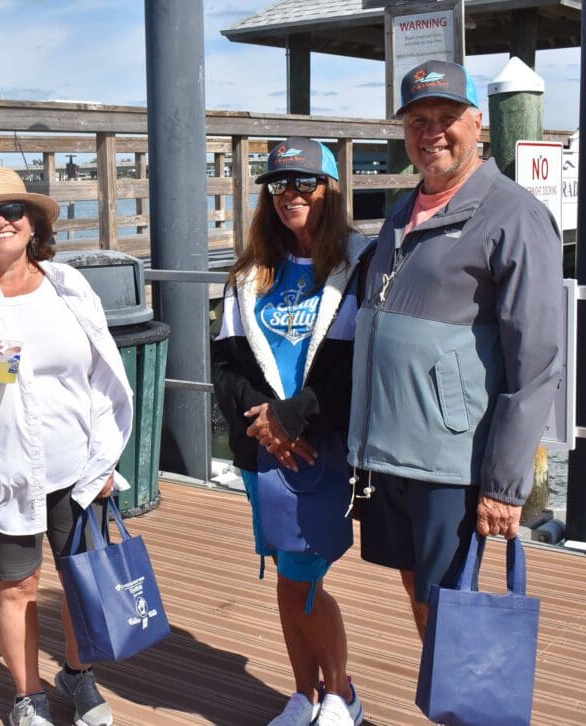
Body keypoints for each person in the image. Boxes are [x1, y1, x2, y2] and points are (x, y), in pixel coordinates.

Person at [347, 60, 563, 641]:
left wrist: (504, 485)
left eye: (447, 118)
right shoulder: (401, 212)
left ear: (477, 123)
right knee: (419, 597)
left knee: (448, 607)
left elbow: (537, 362)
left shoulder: (515, 214)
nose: (432, 133)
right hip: (388, 455)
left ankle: (459, 694)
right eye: (417, 121)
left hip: (452, 464)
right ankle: (439, 691)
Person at [0, 166, 133, 726]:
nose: (1, 222)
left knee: (82, 581)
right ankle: (28, 694)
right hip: (4, 470)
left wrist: (106, 459)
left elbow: (101, 376)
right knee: (17, 584)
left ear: (33, 223)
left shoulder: (69, 285)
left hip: (77, 465)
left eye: (12, 211)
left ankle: (79, 674)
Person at [212, 137, 370, 726]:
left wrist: (293, 417)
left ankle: (342, 693)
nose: (291, 194)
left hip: (320, 445)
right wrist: (266, 421)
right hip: (265, 449)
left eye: (306, 182)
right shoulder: (249, 273)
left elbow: (358, 366)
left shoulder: (360, 264)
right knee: (286, 572)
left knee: (302, 574)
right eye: (279, 184)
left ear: (330, 189)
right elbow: (225, 367)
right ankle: (305, 694)